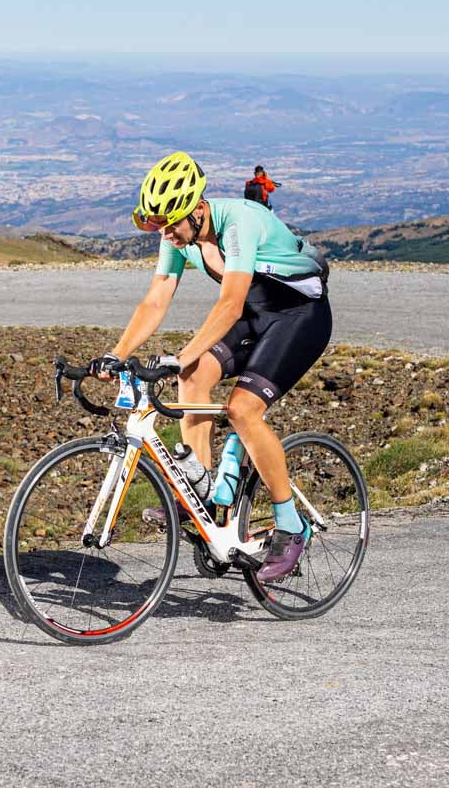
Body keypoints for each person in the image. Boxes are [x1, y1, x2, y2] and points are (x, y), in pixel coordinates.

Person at [95, 151, 330, 582]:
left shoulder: (238, 221)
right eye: (160, 225)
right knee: (192, 375)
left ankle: (291, 527)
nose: (167, 234)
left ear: (198, 209)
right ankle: (201, 487)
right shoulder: (179, 238)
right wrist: (118, 352)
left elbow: (230, 302)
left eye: (172, 223)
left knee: (242, 410)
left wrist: (181, 353)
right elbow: (156, 298)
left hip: (300, 317)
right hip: (258, 317)